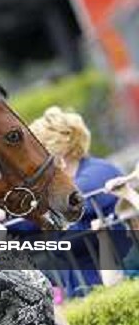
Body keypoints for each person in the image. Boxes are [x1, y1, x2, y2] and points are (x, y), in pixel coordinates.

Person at [10, 106, 127, 297]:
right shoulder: (68, 183)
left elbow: (56, 208)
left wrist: (9, 213)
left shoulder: (98, 173)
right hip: (84, 288)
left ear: (55, 151)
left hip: (116, 282)